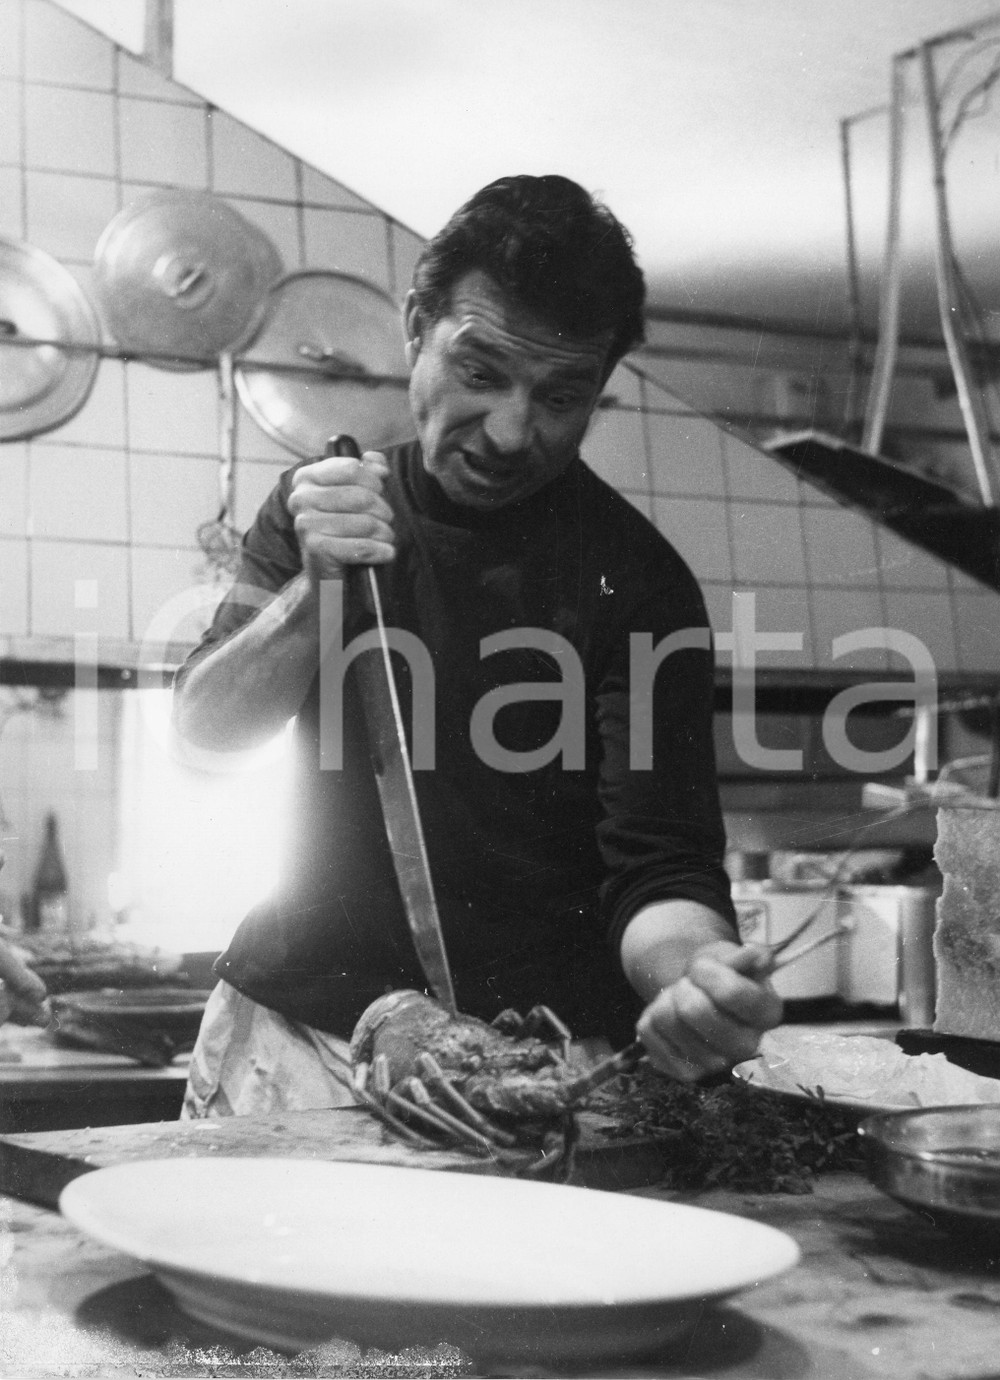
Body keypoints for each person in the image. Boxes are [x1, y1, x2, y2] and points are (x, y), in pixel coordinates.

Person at [173, 174, 782, 1118]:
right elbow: (205, 738)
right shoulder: (317, 504)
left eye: (560, 396)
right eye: (481, 371)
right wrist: (316, 592)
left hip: (529, 1069)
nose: (510, 431)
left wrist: (694, 975)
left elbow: (659, 865)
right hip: (303, 1042)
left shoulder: (639, 582)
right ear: (417, 326)